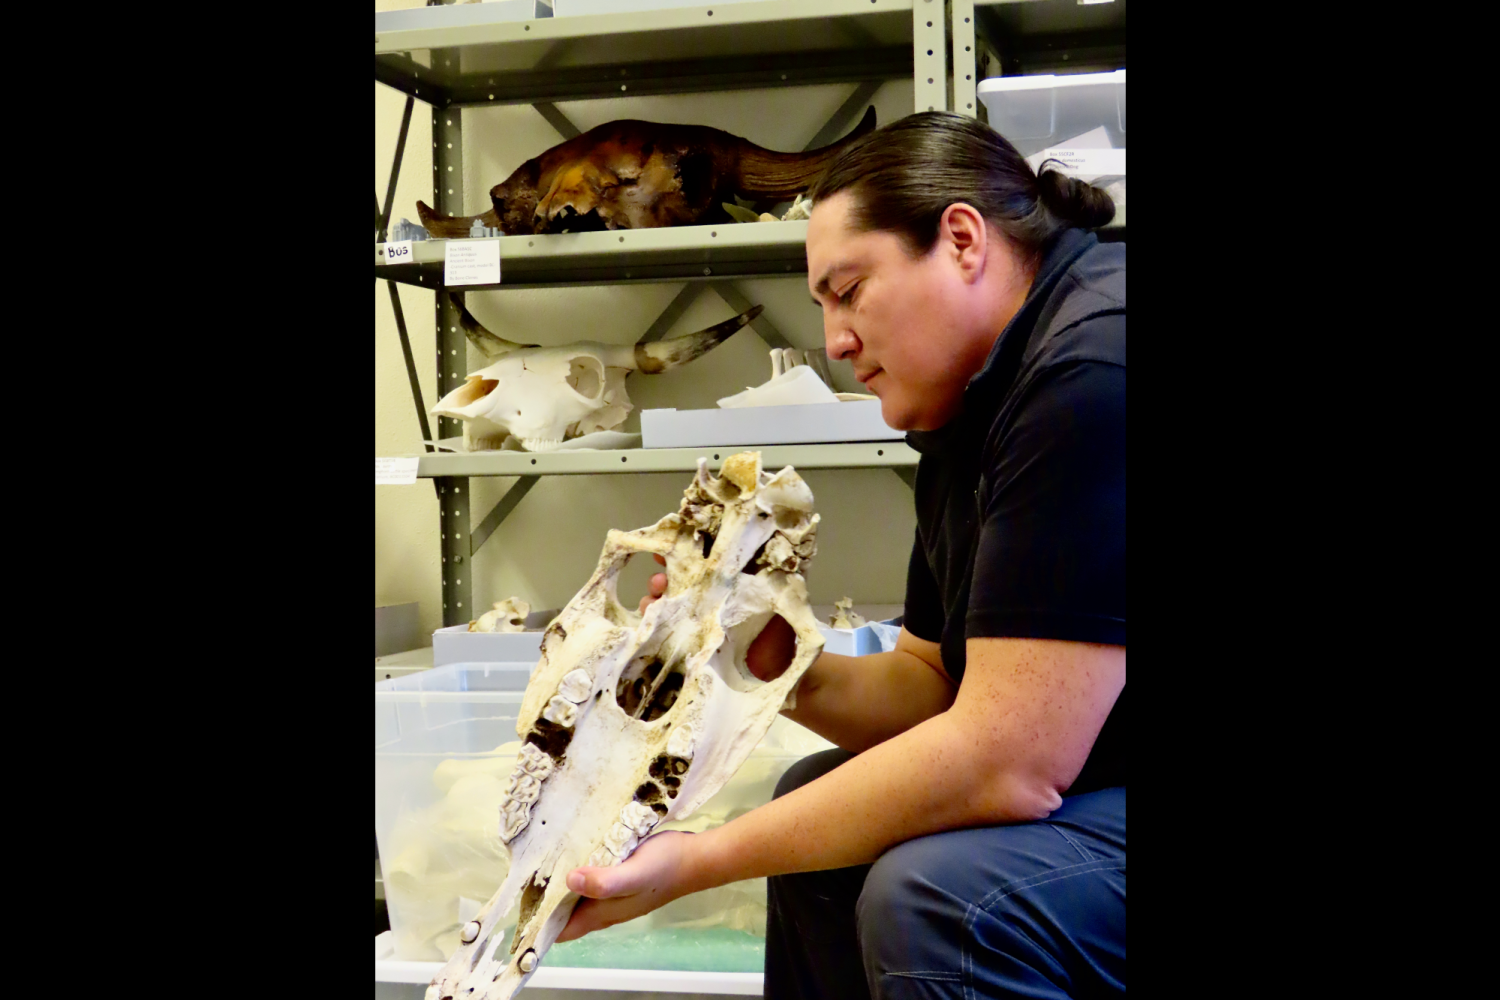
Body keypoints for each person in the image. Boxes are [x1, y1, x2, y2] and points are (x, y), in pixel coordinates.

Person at [557, 111, 1126, 999]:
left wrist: (698, 861)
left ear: (963, 239)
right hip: (1097, 780)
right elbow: (934, 686)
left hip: (1087, 784)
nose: (834, 341)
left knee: (940, 899)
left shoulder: (1095, 367)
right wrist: (770, 653)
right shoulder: (968, 405)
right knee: (817, 810)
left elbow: (1007, 760)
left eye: (850, 290)